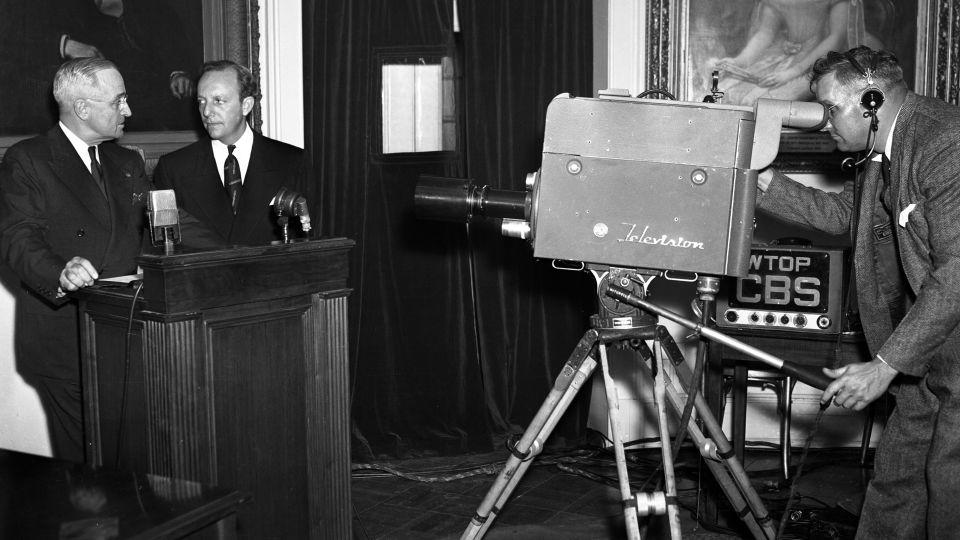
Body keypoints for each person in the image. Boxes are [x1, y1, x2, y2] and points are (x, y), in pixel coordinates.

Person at [755, 46, 960, 538]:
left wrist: (884, 366)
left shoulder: (945, 141)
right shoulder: (880, 150)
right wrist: (759, 180)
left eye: (830, 109)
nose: (824, 123)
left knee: (950, 491)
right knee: (897, 483)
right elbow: (847, 218)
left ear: (870, 100)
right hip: (923, 351)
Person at [0, 57, 152, 463]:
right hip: (65, 338)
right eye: (118, 101)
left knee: (133, 462)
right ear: (82, 108)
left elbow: (164, 224)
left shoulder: (128, 162)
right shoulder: (27, 160)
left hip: (126, 336)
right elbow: (18, 238)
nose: (129, 111)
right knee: (88, 476)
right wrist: (61, 272)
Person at [152, 60, 311, 248]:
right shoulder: (174, 168)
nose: (206, 111)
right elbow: (165, 250)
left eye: (218, 101)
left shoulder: (290, 161)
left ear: (246, 105)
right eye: (201, 101)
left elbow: (306, 242)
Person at [710, 0, 885, 106]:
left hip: (824, 59)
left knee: (771, 101)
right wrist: (739, 61)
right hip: (787, 56)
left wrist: (793, 72)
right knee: (728, 91)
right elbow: (765, 33)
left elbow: (836, 38)